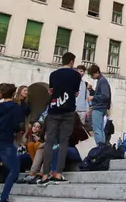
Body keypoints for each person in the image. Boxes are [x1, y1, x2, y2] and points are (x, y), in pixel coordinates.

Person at [39, 52, 82, 186]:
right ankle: (58, 173)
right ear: (71, 62)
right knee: (64, 142)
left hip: (53, 110)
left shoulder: (53, 74)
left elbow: (51, 91)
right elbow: (76, 93)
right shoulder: (76, 75)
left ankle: (45, 175)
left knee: (49, 141)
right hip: (68, 110)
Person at [88, 64, 112, 145]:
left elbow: (105, 96)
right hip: (101, 107)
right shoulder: (101, 80)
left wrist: (93, 98)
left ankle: (100, 149)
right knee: (100, 130)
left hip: (99, 108)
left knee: (97, 130)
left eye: (92, 74)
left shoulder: (102, 81)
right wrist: (92, 91)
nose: (91, 77)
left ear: (97, 72)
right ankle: (102, 149)